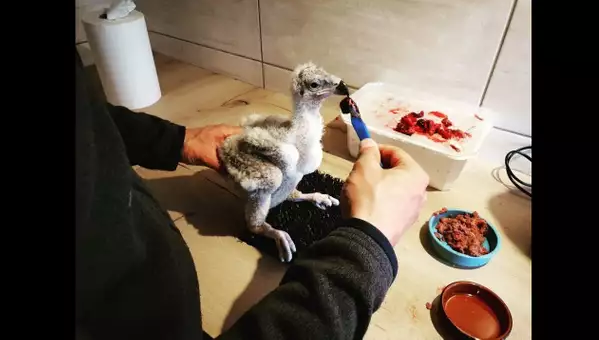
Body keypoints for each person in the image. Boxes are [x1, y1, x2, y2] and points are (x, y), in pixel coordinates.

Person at [75, 48, 429, 340]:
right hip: (148, 312)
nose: (335, 86)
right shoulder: (281, 155)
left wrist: (171, 140)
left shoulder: (305, 146)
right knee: (280, 170)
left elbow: (88, 119)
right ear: (305, 92)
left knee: (300, 163)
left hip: (159, 281)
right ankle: (265, 226)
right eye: (321, 85)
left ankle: (291, 195)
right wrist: (365, 249)